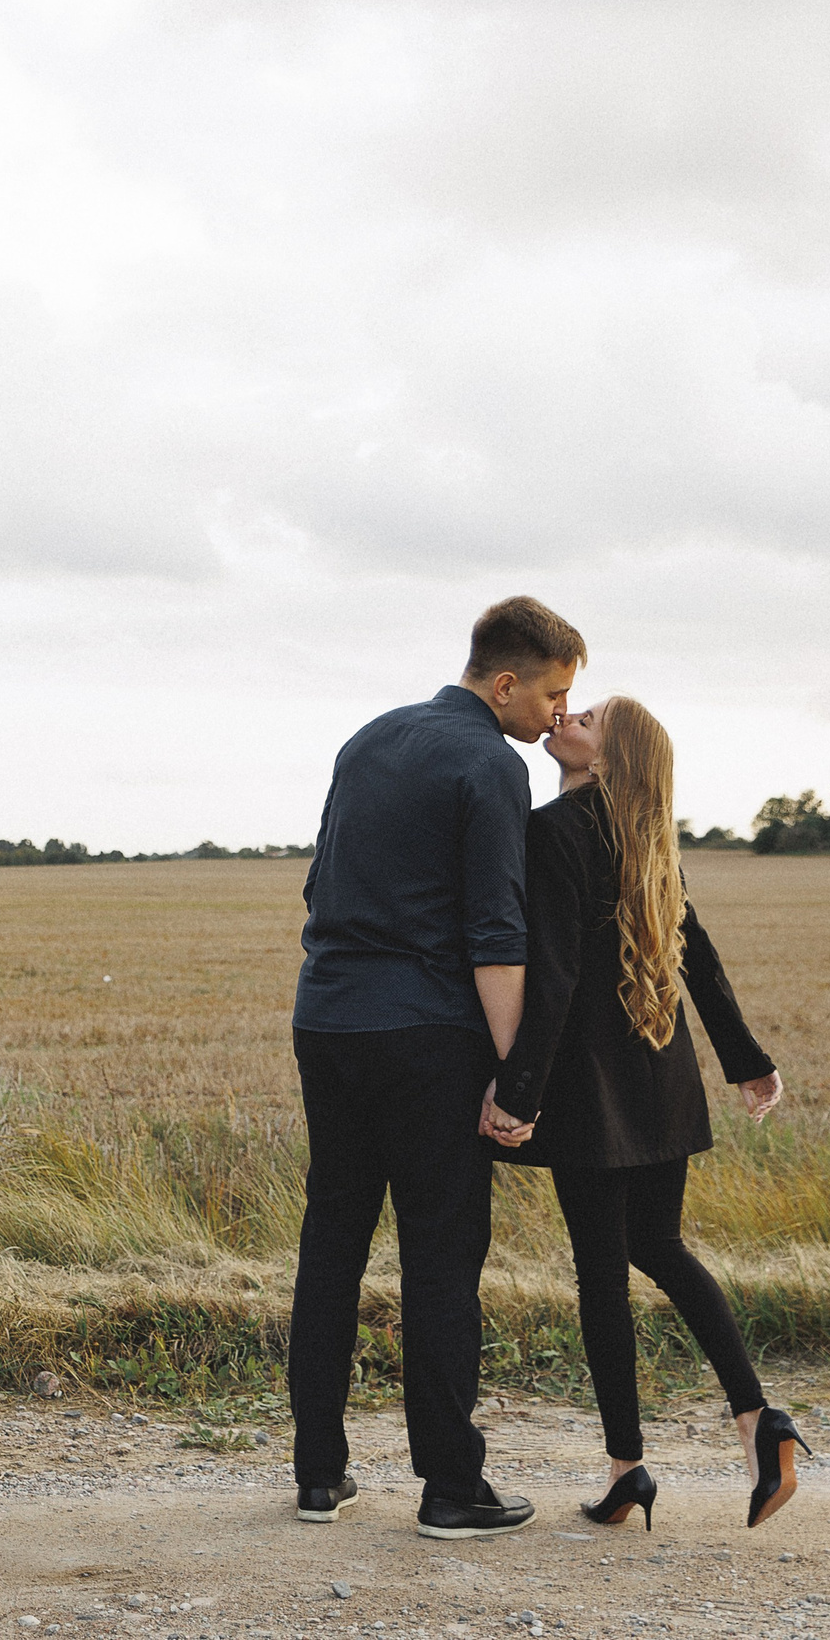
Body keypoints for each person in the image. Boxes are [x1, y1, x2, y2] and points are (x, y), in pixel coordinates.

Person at [288, 595, 584, 1540]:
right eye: (551, 693)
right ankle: (453, 1486)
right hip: (424, 1037)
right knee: (442, 1256)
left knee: (331, 1237)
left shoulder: (367, 739)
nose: (553, 716)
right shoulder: (489, 763)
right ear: (505, 683)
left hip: (326, 1018)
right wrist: (515, 1077)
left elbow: (316, 881)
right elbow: (497, 934)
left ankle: (317, 1474)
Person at [488, 695, 806, 1531]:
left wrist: (519, 1092)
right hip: (662, 1080)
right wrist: (747, 1061)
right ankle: (758, 1418)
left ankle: (628, 1467)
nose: (566, 717)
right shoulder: (651, 838)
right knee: (659, 1245)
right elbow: (698, 954)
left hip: (590, 1089)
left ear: (610, 756)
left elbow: (549, 978)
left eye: (585, 717)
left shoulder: (554, 830)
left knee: (603, 1274)